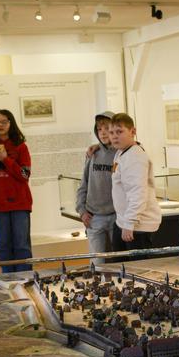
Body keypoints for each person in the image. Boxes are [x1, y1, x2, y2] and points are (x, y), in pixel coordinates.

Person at [108, 113, 161, 259]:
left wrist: (129, 223)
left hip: (138, 226)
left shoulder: (135, 157)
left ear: (133, 132)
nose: (114, 136)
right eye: (111, 133)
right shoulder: (122, 152)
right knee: (122, 267)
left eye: (120, 132)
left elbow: (137, 192)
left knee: (138, 271)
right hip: (125, 222)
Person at [0, 109, 33, 273]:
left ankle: (26, 281)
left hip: (20, 203)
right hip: (0, 204)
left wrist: (5, 159)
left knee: (21, 246)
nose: (0, 125)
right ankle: (8, 283)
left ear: (11, 123)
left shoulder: (21, 147)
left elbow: (25, 175)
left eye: (4, 121)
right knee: (4, 247)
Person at [75, 111, 116, 263]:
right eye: (99, 129)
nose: (103, 133)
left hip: (116, 216)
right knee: (97, 265)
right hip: (94, 217)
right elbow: (83, 184)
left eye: (107, 128)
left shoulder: (121, 153)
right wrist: (82, 211)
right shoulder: (92, 154)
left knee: (118, 264)